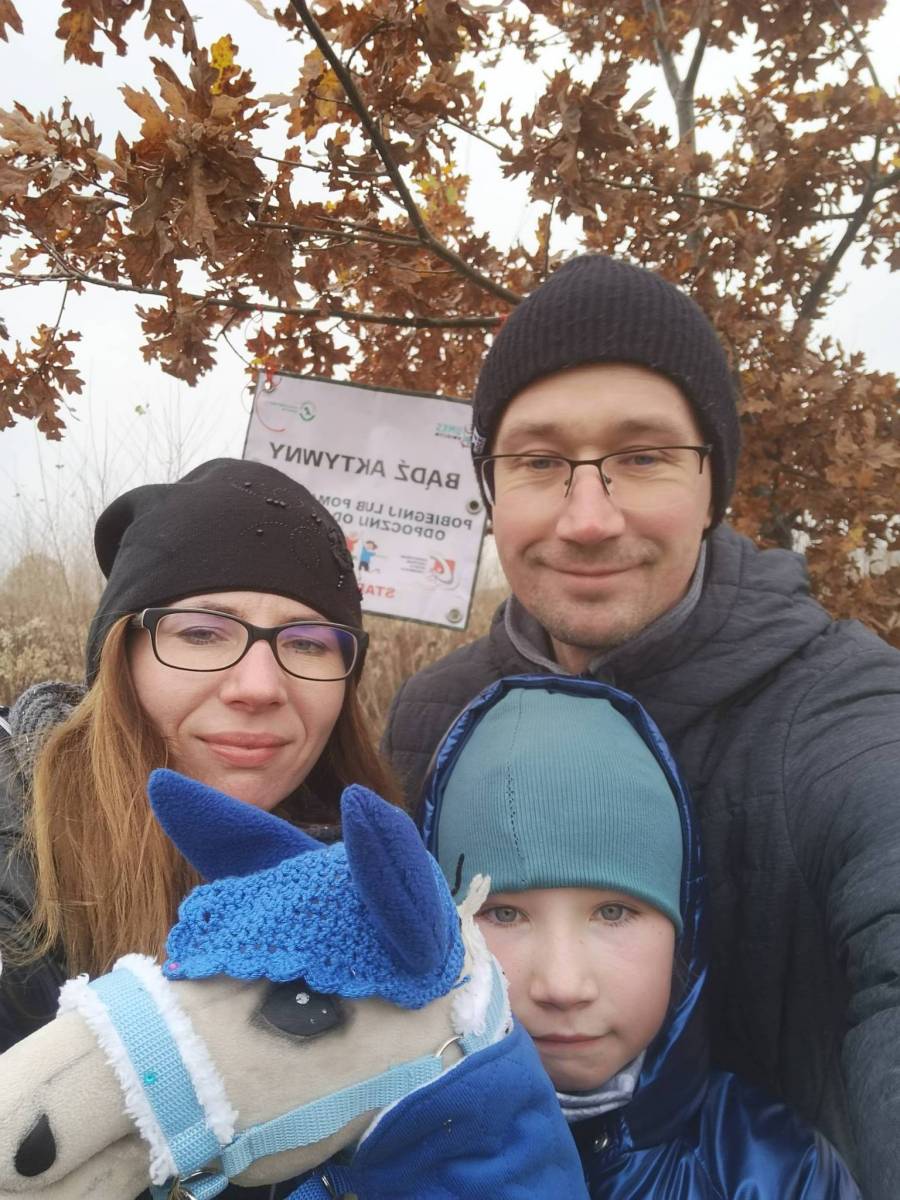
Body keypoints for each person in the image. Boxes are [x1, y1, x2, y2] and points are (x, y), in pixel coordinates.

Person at [383, 254, 900, 1199]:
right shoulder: (432, 720)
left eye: (643, 456)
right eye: (539, 462)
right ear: (491, 488)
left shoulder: (838, 714)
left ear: (713, 486)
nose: (588, 519)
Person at [0, 459, 395, 1067]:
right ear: (121, 658)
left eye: (307, 642)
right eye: (202, 633)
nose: (259, 687)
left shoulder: (373, 873)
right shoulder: (21, 860)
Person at [424, 676, 860, 1197]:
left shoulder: (783, 1175)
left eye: (613, 912)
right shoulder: (371, 1165)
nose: (563, 985)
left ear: (684, 930)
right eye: (504, 914)